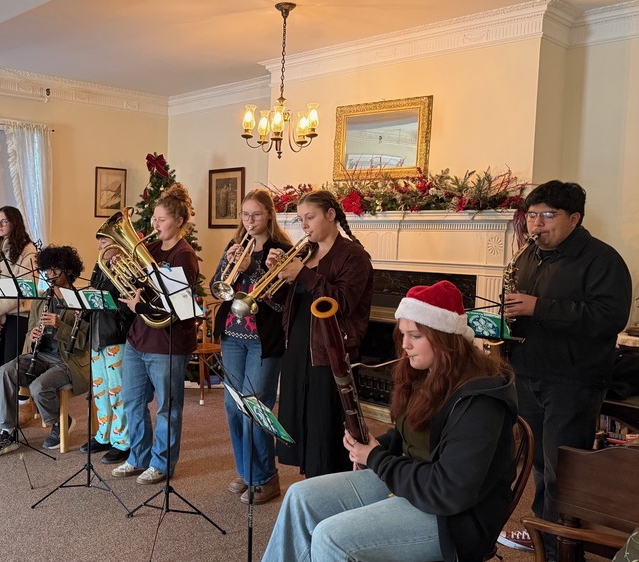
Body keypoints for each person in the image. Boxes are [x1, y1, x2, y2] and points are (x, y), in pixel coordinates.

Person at [263, 280, 519, 562]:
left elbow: (448, 491)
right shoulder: (431, 373)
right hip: (413, 483)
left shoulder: (480, 402)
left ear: (446, 337)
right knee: (300, 497)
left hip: (456, 521)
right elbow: (409, 435)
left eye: (416, 336)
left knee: (331, 538)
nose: (405, 345)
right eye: (403, 334)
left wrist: (376, 458)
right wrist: (374, 446)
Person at [497, 180, 632, 557]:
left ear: (574, 218)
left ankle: (561, 548)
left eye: (547, 216)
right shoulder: (527, 255)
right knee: (539, 461)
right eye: (532, 215)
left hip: (572, 380)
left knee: (564, 469)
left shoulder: (603, 259)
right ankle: (546, 532)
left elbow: (610, 317)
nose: (536, 224)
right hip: (528, 373)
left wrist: (538, 307)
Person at [266, 189, 373, 477]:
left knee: (324, 427)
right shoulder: (305, 253)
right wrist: (277, 276)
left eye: (309, 217)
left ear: (330, 214)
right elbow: (286, 305)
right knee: (303, 425)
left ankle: (329, 487)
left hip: (330, 353)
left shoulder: (354, 256)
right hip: (300, 349)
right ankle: (313, 483)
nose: (304, 225)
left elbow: (343, 302)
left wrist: (301, 274)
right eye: (300, 219)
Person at [111, 183, 199, 485]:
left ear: (179, 222)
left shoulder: (184, 256)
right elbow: (134, 282)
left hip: (167, 342)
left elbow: (174, 305)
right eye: (154, 219)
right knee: (132, 402)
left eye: (161, 220)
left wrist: (140, 305)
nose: (155, 225)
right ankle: (138, 457)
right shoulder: (147, 249)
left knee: (167, 408)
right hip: (138, 339)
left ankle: (162, 464)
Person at [210, 187, 292, 504]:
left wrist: (254, 269)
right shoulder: (235, 247)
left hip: (263, 341)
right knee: (233, 405)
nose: (250, 220)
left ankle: (266, 478)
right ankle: (247, 473)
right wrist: (229, 268)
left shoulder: (280, 249)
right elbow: (220, 291)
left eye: (256, 214)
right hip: (233, 337)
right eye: (245, 215)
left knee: (255, 407)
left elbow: (282, 303)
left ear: (269, 215)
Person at [0, 245, 90, 456]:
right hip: (41, 356)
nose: (50, 275)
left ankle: (61, 421)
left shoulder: (81, 300)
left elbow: (84, 342)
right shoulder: (41, 300)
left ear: (69, 270)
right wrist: (32, 336)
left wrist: (60, 326)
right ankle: (8, 433)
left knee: (40, 386)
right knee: (6, 370)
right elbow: (31, 330)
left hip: (68, 361)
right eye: (47, 270)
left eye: (55, 269)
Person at [78, 235, 135, 465]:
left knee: (117, 391)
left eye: (105, 243)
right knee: (100, 389)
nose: (100, 247)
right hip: (97, 336)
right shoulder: (99, 266)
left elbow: (128, 304)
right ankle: (104, 434)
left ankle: (122, 441)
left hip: (115, 335)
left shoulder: (126, 268)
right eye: (99, 243)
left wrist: (102, 297)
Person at [0, 207, 38, 374]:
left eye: (4, 221)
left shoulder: (28, 250)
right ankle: (2, 401)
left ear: (14, 223)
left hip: (18, 316)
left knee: (11, 369)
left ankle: (13, 400)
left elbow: (24, 287)